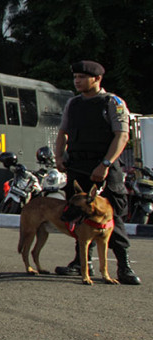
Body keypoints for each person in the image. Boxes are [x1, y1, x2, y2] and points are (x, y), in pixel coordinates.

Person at [53, 60, 140, 285]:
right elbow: (62, 132)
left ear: (97, 79)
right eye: (75, 78)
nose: (77, 81)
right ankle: (82, 264)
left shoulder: (112, 102)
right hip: (78, 166)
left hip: (105, 168)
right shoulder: (73, 104)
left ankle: (124, 265)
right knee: (76, 215)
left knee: (114, 218)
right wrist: (59, 157)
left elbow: (122, 136)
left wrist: (105, 164)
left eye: (82, 77)